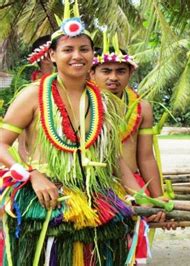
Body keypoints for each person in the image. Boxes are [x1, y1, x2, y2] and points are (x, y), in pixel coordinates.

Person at [0, 2, 154, 264]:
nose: (77, 56)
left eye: (84, 49)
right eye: (68, 50)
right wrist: (32, 176)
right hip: (47, 203)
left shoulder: (104, 101)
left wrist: (144, 199)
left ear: (93, 55)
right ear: (52, 55)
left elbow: (114, 159)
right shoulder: (33, 96)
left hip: (100, 202)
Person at [90, 34, 171, 264]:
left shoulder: (142, 107)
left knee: (130, 253)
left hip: (134, 187)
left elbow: (146, 157)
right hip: (97, 187)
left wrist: (157, 197)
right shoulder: (85, 104)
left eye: (120, 71)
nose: (113, 78)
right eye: (106, 71)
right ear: (92, 73)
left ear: (131, 73)